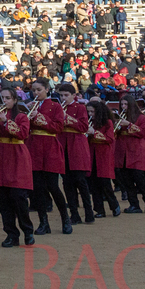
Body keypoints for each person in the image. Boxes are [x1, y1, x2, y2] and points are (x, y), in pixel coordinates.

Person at [0, 88, 35, 247]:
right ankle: (11, 234)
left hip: (16, 158)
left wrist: (5, 121)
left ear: (15, 100)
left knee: (19, 198)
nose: (4, 101)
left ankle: (28, 230)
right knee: (2, 201)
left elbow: (23, 133)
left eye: (8, 98)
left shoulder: (22, 116)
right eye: (2, 98)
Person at [26, 78, 70, 235]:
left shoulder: (56, 106)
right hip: (34, 147)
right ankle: (43, 222)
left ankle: (65, 218)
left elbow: (58, 127)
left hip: (50, 147)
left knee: (53, 186)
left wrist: (39, 118)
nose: (36, 93)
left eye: (39, 90)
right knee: (37, 188)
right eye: (34, 90)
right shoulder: (31, 106)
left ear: (46, 90)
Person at [57, 83, 95, 224]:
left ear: (74, 96)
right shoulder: (58, 108)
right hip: (63, 145)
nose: (63, 98)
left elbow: (84, 127)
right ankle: (74, 214)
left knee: (80, 181)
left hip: (77, 146)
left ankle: (88, 211)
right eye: (61, 95)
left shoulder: (80, 108)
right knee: (67, 183)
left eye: (66, 95)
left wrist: (68, 118)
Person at [113, 95, 145, 213]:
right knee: (127, 180)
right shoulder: (120, 117)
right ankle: (134, 204)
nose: (123, 107)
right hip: (122, 151)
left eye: (126, 104)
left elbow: (144, 133)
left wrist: (129, 125)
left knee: (139, 178)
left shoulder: (141, 117)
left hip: (136, 151)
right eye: (122, 104)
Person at [85, 99, 120, 217]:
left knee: (105, 183)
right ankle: (99, 210)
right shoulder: (89, 122)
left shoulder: (108, 122)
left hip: (103, 154)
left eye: (92, 112)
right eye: (88, 112)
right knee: (94, 184)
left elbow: (109, 139)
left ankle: (114, 205)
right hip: (92, 154)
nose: (90, 115)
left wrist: (93, 133)